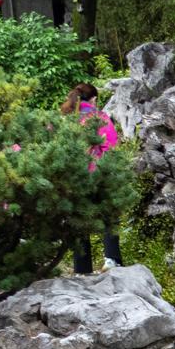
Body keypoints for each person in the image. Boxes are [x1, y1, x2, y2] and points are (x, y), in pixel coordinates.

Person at [64, 82, 122, 274]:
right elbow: (111, 147)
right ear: (94, 99)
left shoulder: (67, 120)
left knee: (80, 220)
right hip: (98, 173)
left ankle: (81, 268)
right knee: (108, 215)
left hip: (74, 176)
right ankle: (111, 259)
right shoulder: (99, 117)